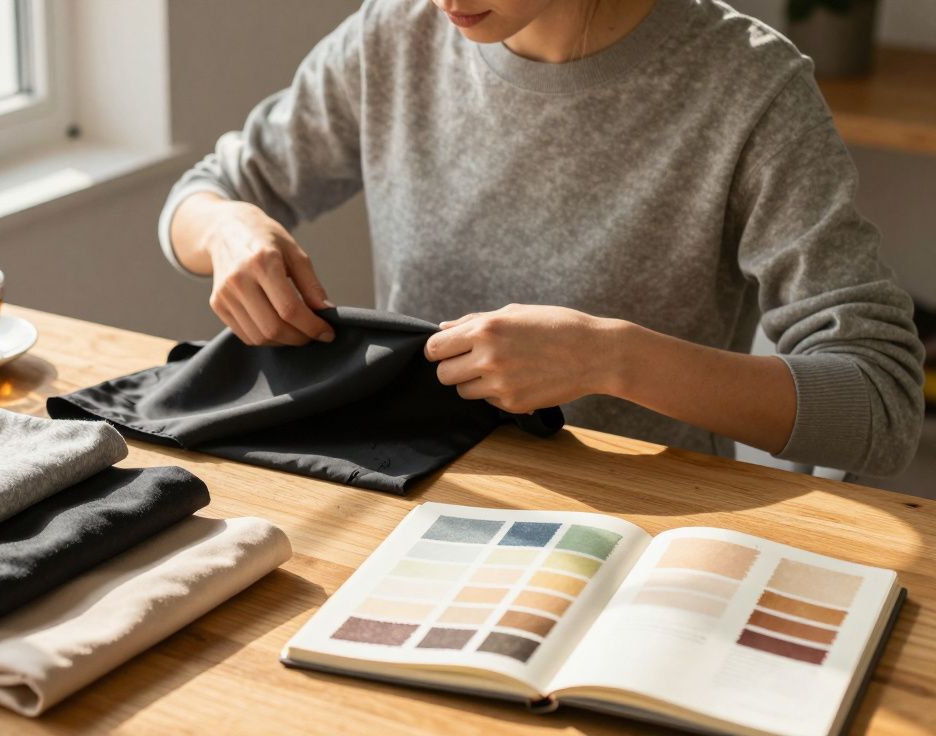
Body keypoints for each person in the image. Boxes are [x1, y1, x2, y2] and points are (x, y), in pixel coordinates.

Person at [157, 0, 926, 477]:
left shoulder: (751, 89)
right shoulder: (395, 34)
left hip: (636, 536)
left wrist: (608, 358)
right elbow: (200, 196)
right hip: (411, 494)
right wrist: (227, 228)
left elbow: (883, 404)